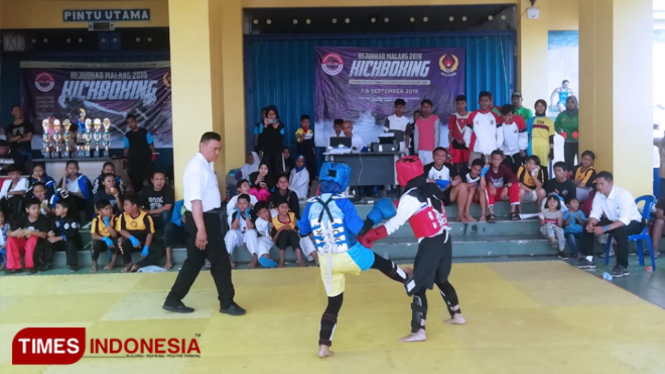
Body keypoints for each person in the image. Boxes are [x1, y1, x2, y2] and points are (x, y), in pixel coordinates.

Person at [298, 162, 410, 358]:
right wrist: (376, 215)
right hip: (349, 254)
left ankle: (324, 346)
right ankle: (407, 280)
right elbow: (361, 230)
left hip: (326, 260)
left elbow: (302, 231)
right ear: (342, 181)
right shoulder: (343, 202)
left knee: (333, 303)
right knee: (380, 263)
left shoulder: (311, 204)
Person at [359, 156, 465, 343]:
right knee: (441, 279)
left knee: (417, 286)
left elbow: (393, 225)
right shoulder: (429, 188)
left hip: (431, 241)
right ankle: (457, 315)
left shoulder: (410, 197)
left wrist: (368, 236)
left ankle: (419, 331)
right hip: (445, 238)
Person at [164, 132, 245, 315]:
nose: (217, 153)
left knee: (194, 260)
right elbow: (195, 202)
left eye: (219, 149)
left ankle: (173, 298)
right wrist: (201, 229)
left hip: (206, 217)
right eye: (214, 148)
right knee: (221, 262)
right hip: (203, 220)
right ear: (202, 146)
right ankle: (227, 303)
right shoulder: (196, 168)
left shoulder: (205, 165)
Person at [575, 172, 644, 277]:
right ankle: (588, 259)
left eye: (602, 184)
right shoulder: (599, 195)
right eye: (597, 184)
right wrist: (591, 223)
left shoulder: (623, 195)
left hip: (634, 222)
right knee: (586, 226)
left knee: (620, 232)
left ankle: (622, 266)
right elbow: (595, 213)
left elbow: (624, 219)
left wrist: (604, 228)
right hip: (614, 220)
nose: (598, 187)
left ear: (610, 183)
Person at [116, 194, 164, 273]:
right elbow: (121, 230)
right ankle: (128, 264)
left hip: (145, 240)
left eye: (126, 205)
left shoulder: (146, 217)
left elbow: (150, 233)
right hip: (132, 241)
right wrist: (132, 238)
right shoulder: (123, 216)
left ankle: (139, 265)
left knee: (160, 250)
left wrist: (146, 247)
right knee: (120, 241)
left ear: (134, 206)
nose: (124, 207)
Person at [4, 198, 50, 274]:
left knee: (32, 239)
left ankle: (30, 266)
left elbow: (44, 235)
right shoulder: (22, 219)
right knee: (11, 239)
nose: (36, 210)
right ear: (27, 210)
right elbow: (8, 232)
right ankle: (14, 267)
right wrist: (13, 233)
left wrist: (30, 232)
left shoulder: (43, 219)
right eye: (33, 208)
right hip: (23, 244)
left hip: (37, 246)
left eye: (38, 208)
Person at [424, 147, 469, 223]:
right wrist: (437, 182)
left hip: (446, 195)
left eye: (442, 156)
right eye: (437, 155)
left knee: (462, 186)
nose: (440, 158)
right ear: (433, 156)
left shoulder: (449, 167)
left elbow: (458, 179)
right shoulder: (427, 167)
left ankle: (460, 215)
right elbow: (421, 181)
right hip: (433, 197)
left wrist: (450, 183)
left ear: (445, 157)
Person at [464, 91, 504, 166]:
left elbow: (500, 133)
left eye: (486, 101)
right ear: (478, 102)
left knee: (490, 172)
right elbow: (467, 132)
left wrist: (498, 147)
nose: (484, 103)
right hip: (476, 149)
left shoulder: (495, 116)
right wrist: (468, 145)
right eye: (482, 101)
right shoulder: (473, 115)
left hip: (492, 150)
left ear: (490, 102)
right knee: (474, 171)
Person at [47, 199, 83, 272]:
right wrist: (50, 233)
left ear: (65, 209)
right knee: (47, 242)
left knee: (69, 243)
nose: (55, 209)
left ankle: (73, 265)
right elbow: (52, 229)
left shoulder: (71, 220)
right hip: (59, 243)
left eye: (57, 207)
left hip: (72, 242)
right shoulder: (55, 219)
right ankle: (47, 263)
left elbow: (72, 235)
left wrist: (59, 238)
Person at [123, 114, 156, 193]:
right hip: (134, 160)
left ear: (136, 121)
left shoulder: (144, 132)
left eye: (132, 122)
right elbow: (126, 147)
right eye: (129, 123)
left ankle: (151, 193)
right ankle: (138, 195)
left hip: (146, 158)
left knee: (149, 176)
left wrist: (154, 153)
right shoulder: (127, 135)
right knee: (136, 179)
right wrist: (125, 158)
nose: (131, 124)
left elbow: (151, 144)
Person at [485, 150, 521, 222]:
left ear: (501, 160)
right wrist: (490, 184)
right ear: (491, 159)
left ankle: (513, 211)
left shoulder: (503, 168)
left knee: (515, 184)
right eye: (494, 159)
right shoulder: (487, 167)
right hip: (491, 194)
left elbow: (514, 177)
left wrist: (506, 186)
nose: (496, 161)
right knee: (488, 187)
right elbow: (487, 178)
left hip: (501, 193)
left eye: (498, 159)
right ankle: (491, 213)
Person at [224, 194, 256, 269]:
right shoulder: (235, 213)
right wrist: (238, 214)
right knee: (231, 232)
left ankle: (255, 258)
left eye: (244, 203)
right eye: (240, 204)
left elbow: (251, 227)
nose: (242, 206)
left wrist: (247, 214)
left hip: (249, 239)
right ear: (237, 204)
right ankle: (228, 259)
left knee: (250, 232)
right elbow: (234, 227)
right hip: (239, 238)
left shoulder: (252, 213)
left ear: (249, 204)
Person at [271, 199, 305, 268]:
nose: (284, 209)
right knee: (284, 233)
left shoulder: (292, 216)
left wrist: (291, 229)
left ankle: (300, 260)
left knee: (292, 234)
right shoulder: (274, 220)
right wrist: (281, 229)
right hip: (281, 241)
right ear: (277, 209)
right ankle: (281, 260)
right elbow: (274, 239)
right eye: (282, 207)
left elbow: (299, 232)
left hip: (293, 239)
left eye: (286, 207)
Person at [90, 200, 120, 272]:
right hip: (102, 239)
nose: (109, 210)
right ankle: (94, 264)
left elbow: (114, 234)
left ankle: (112, 263)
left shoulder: (116, 218)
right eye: (106, 209)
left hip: (112, 239)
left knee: (117, 240)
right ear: (100, 211)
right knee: (93, 244)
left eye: (110, 208)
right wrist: (105, 239)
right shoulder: (96, 220)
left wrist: (107, 224)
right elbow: (93, 235)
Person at [499, 104, 528, 174]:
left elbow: (523, 136)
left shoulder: (519, 120)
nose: (506, 117)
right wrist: (501, 151)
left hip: (517, 151)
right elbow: (498, 138)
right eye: (504, 115)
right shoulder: (499, 121)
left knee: (518, 172)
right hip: (505, 153)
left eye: (509, 115)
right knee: (505, 172)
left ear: (513, 114)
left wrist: (522, 148)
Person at [526, 100, 555, 168]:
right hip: (532, 145)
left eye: (542, 106)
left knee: (543, 167)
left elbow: (551, 137)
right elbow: (526, 135)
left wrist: (552, 151)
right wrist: (524, 149)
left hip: (544, 147)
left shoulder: (549, 121)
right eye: (538, 106)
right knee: (532, 167)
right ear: (535, 107)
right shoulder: (530, 120)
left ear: (545, 107)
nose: (540, 108)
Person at [554, 96, 580, 171]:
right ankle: (569, 179)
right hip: (568, 142)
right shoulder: (562, 115)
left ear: (576, 103)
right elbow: (555, 126)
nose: (570, 104)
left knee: (581, 163)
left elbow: (586, 125)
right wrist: (560, 132)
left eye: (572, 102)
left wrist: (579, 132)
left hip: (579, 142)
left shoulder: (580, 114)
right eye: (568, 102)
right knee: (568, 163)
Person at [539, 195, 567, 260]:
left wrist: (559, 217)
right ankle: (553, 240)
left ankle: (561, 250)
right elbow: (542, 224)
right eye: (550, 201)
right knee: (549, 224)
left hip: (555, 229)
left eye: (554, 201)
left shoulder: (559, 212)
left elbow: (560, 225)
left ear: (558, 203)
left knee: (561, 230)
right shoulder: (544, 211)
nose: (552, 203)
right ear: (547, 203)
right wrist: (541, 218)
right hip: (545, 230)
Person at [259, 105, 285, 174]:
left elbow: (280, 140)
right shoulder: (262, 125)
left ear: (276, 114)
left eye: (273, 114)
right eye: (269, 114)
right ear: (266, 115)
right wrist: (265, 126)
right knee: (266, 171)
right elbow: (261, 139)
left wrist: (276, 129)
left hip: (277, 153)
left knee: (277, 171)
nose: (271, 116)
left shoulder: (281, 125)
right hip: (266, 153)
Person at [6, 105, 33, 171]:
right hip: (13, 150)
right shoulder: (10, 126)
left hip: (26, 150)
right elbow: (9, 139)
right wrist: (21, 136)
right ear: (12, 113)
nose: (18, 112)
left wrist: (16, 139)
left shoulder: (28, 124)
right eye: (15, 110)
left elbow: (29, 137)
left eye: (19, 110)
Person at [162, 199, 187, 270]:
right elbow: (173, 220)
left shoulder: (198, 202)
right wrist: (181, 220)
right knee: (168, 227)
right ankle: (169, 259)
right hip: (181, 232)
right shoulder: (179, 204)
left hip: (194, 232)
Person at [414, 99, 440, 165]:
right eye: (424, 107)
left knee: (430, 169)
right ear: (421, 108)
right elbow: (416, 136)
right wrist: (416, 150)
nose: (425, 109)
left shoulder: (435, 118)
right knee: (421, 170)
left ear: (431, 108)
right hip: (420, 149)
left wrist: (435, 149)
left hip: (431, 150)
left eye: (427, 107)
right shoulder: (418, 121)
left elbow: (437, 135)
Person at [448, 95, 471, 172]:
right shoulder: (454, 116)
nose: (461, 105)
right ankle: (457, 177)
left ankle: (465, 177)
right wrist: (450, 144)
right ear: (456, 104)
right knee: (456, 162)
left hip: (467, 143)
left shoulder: (471, 115)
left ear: (466, 104)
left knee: (467, 162)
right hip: (456, 142)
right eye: (459, 104)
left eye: (462, 103)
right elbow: (450, 131)